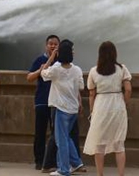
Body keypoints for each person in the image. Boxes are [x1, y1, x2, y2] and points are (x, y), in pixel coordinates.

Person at [84, 41, 132, 176]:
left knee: (99, 144)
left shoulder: (94, 71)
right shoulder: (122, 69)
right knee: (119, 144)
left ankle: (100, 174)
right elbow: (128, 89)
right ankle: (121, 174)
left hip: (101, 104)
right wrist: (125, 102)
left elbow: (91, 93)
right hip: (117, 104)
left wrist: (93, 111)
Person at [41, 40, 86, 176]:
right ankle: (76, 162)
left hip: (61, 108)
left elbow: (43, 74)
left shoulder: (56, 68)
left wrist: (51, 58)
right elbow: (81, 86)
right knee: (66, 137)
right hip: (73, 108)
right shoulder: (77, 69)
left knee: (61, 140)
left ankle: (64, 169)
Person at [27, 34, 60, 170]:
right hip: (42, 101)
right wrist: (40, 71)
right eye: (50, 44)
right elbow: (29, 77)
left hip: (58, 102)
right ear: (46, 45)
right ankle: (39, 161)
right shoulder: (40, 59)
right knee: (40, 132)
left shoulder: (62, 62)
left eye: (55, 44)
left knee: (56, 134)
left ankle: (53, 161)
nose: (52, 46)